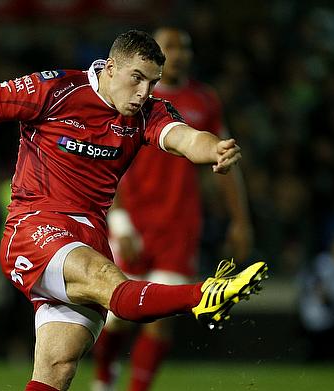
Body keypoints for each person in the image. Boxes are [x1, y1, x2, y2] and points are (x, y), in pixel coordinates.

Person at [0, 30, 268, 391]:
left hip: (89, 237)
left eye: (152, 82)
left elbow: (183, 138)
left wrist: (212, 149)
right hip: (36, 229)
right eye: (136, 78)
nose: (144, 91)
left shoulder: (149, 112)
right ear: (110, 68)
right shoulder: (55, 88)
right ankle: (204, 295)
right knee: (113, 287)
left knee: (57, 368)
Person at [92, 27, 253, 391]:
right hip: (132, 218)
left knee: (160, 318)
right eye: (171, 47)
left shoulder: (204, 100)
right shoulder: (129, 97)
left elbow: (224, 162)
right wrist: (118, 221)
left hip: (178, 224)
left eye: (185, 48)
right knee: (115, 316)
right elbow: (104, 155)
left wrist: (241, 221)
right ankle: (103, 376)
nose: (179, 54)